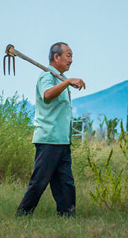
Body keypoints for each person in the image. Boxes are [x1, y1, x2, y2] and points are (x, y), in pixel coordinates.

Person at [16, 42, 86, 217]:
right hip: (48, 139)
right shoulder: (46, 77)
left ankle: (67, 216)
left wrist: (66, 81)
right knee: (40, 181)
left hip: (62, 140)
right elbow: (47, 94)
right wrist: (68, 81)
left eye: (71, 56)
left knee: (65, 182)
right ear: (57, 57)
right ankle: (23, 214)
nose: (71, 60)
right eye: (68, 55)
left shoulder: (59, 78)